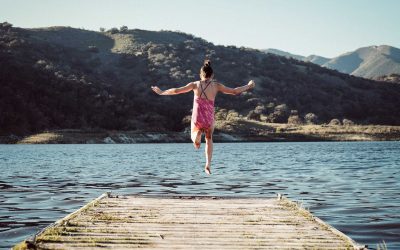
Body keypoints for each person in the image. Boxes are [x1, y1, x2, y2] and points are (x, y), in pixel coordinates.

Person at [151, 60, 255, 175]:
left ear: (200, 74)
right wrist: (249, 86)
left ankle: (197, 136)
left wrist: (162, 92)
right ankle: (208, 164)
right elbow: (235, 91)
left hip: (198, 116)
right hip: (209, 117)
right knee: (209, 138)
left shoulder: (195, 84)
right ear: (213, 75)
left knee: (194, 135)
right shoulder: (216, 86)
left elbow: (176, 91)